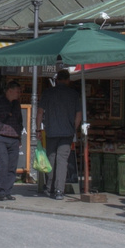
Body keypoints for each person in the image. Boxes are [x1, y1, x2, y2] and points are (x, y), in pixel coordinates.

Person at [40, 70, 82, 200]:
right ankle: (59, 190)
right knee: (62, 160)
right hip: (67, 132)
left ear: (57, 79)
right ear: (68, 80)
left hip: (51, 131)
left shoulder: (48, 93)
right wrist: (73, 128)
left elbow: (40, 112)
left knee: (51, 158)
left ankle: (50, 187)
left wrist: (37, 130)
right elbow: (79, 115)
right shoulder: (74, 95)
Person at [0, 81, 24, 200]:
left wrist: (19, 137)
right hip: (1, 137)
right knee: (3, 163)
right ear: (10, 90)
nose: (19, 93)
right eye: (17, 91)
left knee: (12, 166)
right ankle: (0, 191)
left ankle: (8, 191)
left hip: (14, 138)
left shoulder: (16, 104)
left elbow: (20, 121)